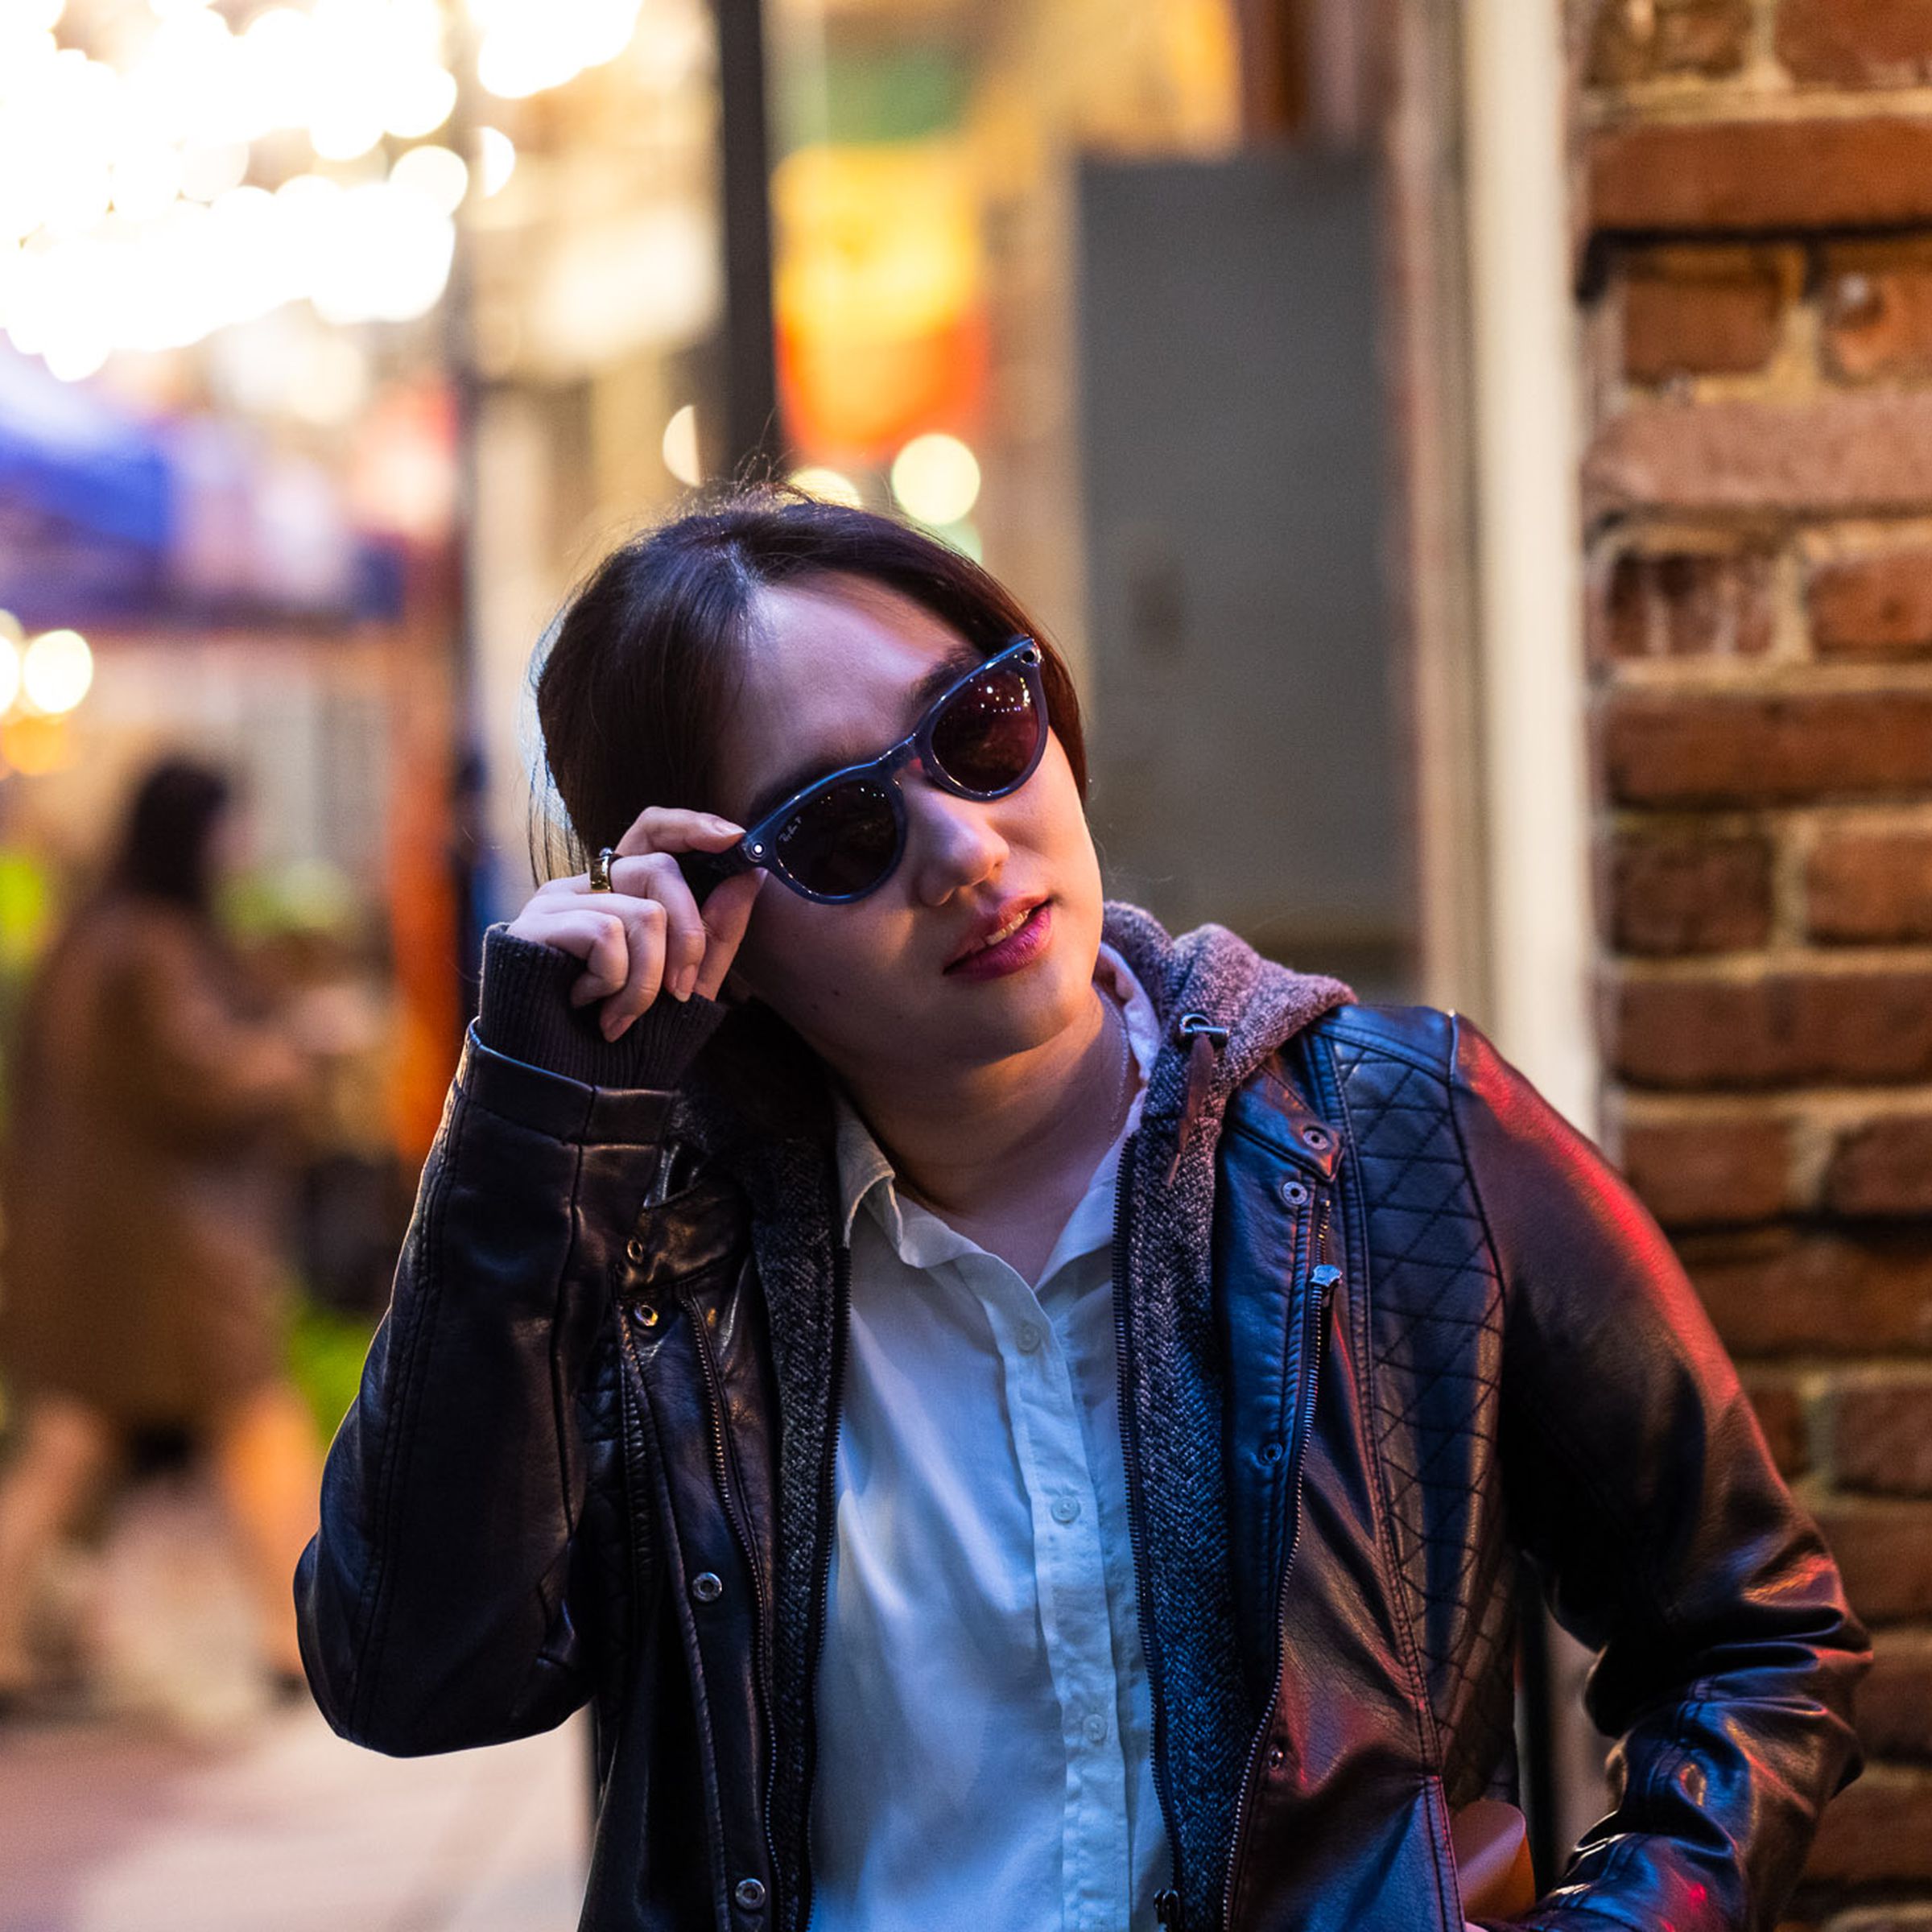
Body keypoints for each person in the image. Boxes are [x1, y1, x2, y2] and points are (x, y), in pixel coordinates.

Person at [298, 490, 1867, 1932]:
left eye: (981, 729)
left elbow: (1753, 1636)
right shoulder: (655, 1267)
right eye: (842, 833)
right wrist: (532, 1125)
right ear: (722, 924)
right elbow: (413, 1673)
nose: (966, 850)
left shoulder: (1400, 1138)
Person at [0, 758, 321, 1711]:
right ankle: (303, 1639)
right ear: (198, 830)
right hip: (170, 1254)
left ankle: (9, 1643)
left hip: (91, 1248)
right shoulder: (152, 947)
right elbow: (201, 1082)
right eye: (233, 822)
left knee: (71, 1441)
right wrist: (294, 1055)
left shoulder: (86, 934)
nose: (245, 846)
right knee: (258, 1419)